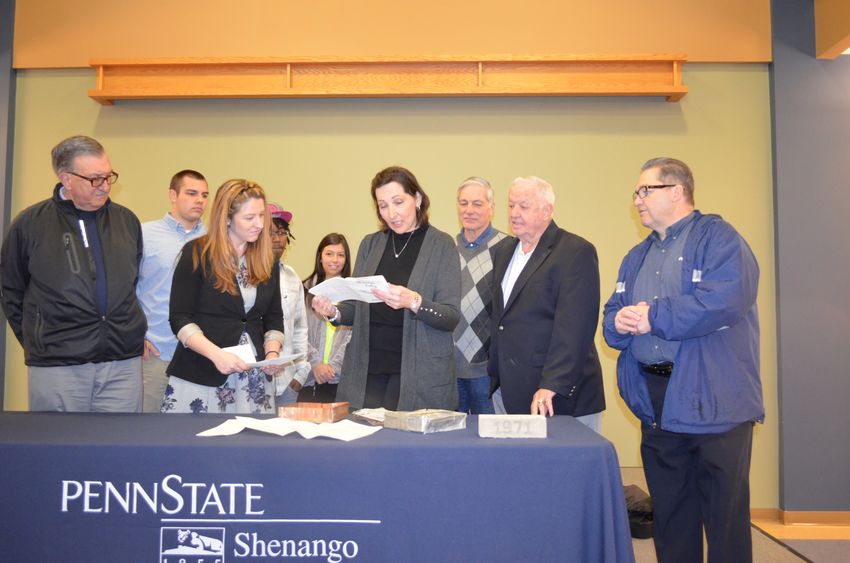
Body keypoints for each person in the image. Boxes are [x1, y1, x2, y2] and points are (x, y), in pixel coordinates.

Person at [602, 157, 764, 563]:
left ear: (677, 192)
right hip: (656, 401)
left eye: (645, 190)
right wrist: (619, 322)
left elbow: (723, 302)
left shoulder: (720, 239)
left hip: (714, 401)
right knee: (672, 515)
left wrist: (652, 316)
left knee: (723, 519)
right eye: (635, 193)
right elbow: (611, 317)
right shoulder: (636, 256)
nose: (636, 200)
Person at [0, 135, 146, 412]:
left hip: (121, 363)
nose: (104, 186)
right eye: (95, 179)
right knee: (59, 451)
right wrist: (41, 339)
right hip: (59, 366)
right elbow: (11, 291)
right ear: (65, 178)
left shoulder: (127, 221)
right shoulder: (31, 224)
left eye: (108, 176)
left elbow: (131, 282)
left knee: (122, 450)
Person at [311, 166, 461, 410]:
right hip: (367, 367)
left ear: (418, 199)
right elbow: (356, 307)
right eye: (383, 205)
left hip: (417, 371)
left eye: (398, 202)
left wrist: (414, 301)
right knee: (363, 441)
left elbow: (451, 317)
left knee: (404, 445)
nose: (392, 213)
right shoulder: (371, 244)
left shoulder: (441, 245)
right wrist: (333, 312)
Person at [489, 176, 605, 429]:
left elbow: (575, 328)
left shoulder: (575, 251)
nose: (514, 213)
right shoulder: (502, 252)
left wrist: (552, 384)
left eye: (524, 206)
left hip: (557, 395)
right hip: (508, 390)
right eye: (511, 206)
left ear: (547, 210)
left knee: (566, 469)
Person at [161, 179, 284, 414]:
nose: (259, 225)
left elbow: (274, 317)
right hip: (203, 372)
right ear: (227, 218)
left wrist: (272, 353)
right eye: (249, 218)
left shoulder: (268, 261)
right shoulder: (196, 254)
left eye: (262, 216)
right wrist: (217, 355)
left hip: (252, 378)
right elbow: (180, 318)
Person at [137, 170, 209, 412]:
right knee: (148, 431)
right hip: (156, 350)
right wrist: (135, 335)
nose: (200, 200)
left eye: (204, 195)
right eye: (191, 193)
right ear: (172, 195)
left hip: (200, 354)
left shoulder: (214, 240)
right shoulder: (144, 235)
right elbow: (126, 289)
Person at [453, 177, 507, 414]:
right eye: (463, 203)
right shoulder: (446, 249)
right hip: (450, 369)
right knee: (451, 442)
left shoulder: (508, 247)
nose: (469, 210)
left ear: (491, 208)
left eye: (477, 204)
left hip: (488, 370)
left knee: (491, 442)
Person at [266, 203, 311, 406]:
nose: (278, 239)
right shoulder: (245, 277)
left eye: (283, 233)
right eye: (271, 233)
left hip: (288, 382)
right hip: (255, 380)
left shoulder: (292, 277)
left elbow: (300, 327)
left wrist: (301, 373)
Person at [299, 233, 353, 403]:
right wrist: (316, 364)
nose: (335, 260)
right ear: (320, 257)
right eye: (329, 254)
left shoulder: (353, 292)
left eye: (341, 255)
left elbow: (353, 335)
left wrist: (333, 368)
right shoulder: (304, 290)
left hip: (341, 378)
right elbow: (298, 331)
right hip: (309, 377)